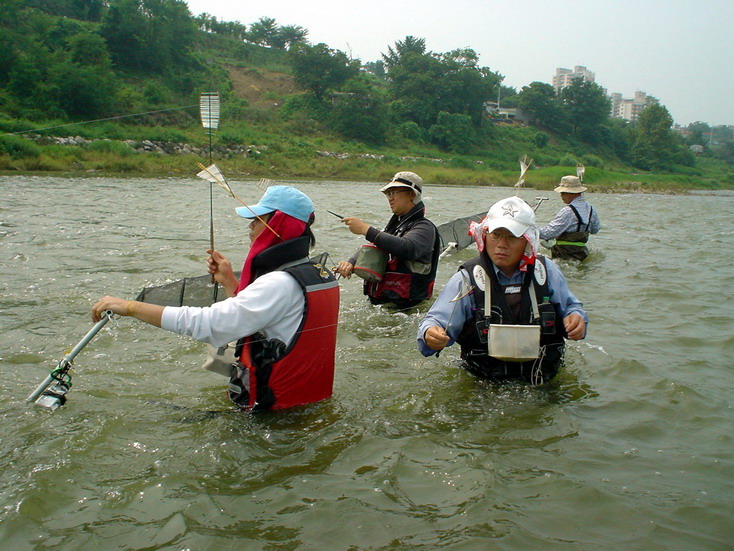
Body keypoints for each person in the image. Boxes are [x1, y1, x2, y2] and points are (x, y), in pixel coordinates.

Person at [91, 186, 340, 411]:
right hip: (303, 404)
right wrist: (229, 281)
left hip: (273, 414)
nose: (250, 227)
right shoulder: (318, 274)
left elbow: (211, 325)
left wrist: (131, 307)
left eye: (257, 220)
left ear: (280, 225)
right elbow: (266, 319)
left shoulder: (278, 283)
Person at [417, 196, 587, 384]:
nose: (501, 244)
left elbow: (571, 308)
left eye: (512, 237)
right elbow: (436, 321)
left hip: (543, 381)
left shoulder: (547, 272)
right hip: (484, 384)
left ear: (527, 241)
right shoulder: (466, 279)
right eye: (495, 235)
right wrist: (430, 333)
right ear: (485, 235)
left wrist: (576, 318)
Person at [334, 171, 441, 309]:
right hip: (381, 306)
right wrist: (350, 263)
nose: (390, 198)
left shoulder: (425, 228)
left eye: (394, 192)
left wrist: (365, 229)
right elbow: (374, 246)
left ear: (411, 194)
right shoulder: (393, 227)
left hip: (408, 309)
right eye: (388, 194)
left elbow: (408, 248)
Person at [538, 175, 601, 261]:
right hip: (582, 254)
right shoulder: (591, 209)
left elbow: (549, 233)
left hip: (563, 255)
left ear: (572, 194)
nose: (560, 195)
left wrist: (531, 230)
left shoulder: (568, 211)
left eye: (563, 193)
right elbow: (595, 230)